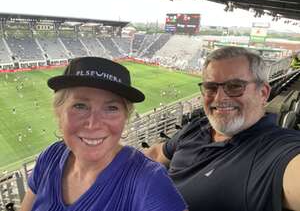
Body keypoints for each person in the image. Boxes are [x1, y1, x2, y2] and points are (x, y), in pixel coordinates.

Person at [20, 57, 187, 211]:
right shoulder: (50, 157)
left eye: (111, 108)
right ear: (59, 112)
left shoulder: (150, 182)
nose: (93, 124)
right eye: (80, 106)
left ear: (125, 118)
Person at [144, 46, 300, 211]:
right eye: (211, 87)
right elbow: (157, 154)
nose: (219, 98)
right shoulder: (197, 127)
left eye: (234, 86)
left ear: (263, 93)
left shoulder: (275, 149)